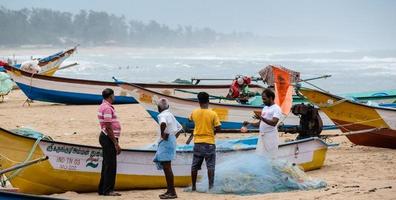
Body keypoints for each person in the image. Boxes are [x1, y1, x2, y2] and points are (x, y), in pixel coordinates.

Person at [189, 92, 221, 191]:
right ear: (208, 101)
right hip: (209, 143)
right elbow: (218, 127)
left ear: (198, 101)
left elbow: (190, 120)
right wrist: (213, 132)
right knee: (210, 166)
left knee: (194, 166)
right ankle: (210, 187)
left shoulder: (194, 112)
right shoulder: (213, 113)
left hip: (197, 142)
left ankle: (194, 186)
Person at [153, 98, 182, 199]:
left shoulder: (162, 115)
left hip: (166, 141)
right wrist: (173, 137)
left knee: (167, 167)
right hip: (171, 140)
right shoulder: (170, 114)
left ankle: (172, 192)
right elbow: (180, 127)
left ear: (158, 108)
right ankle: (169, 190)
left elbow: (163, 124)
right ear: (168, 106)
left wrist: (163, 134)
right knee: (167, 166)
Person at [243, 88, 282, 156]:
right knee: (259, 155)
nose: (263, 101)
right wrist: (249, 124)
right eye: (262, 99)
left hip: (270, 137)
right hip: (262, 136)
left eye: (264, 99)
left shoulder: (276, 108)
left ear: (271, 98)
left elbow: (274, 123)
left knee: (271, 156)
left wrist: (261, 118)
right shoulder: (265, 108)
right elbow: (260, 123)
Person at [97, 88, 122, 196]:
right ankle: (108, 190)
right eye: (114, 95)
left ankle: (102, 189)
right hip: (108, 137)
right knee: (111, 165)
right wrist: (115, 143)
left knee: (106, 164)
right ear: (110, 96)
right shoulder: (107, 108)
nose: (114, 97)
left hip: (106, 137)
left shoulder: (103, 106)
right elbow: (108, 127)